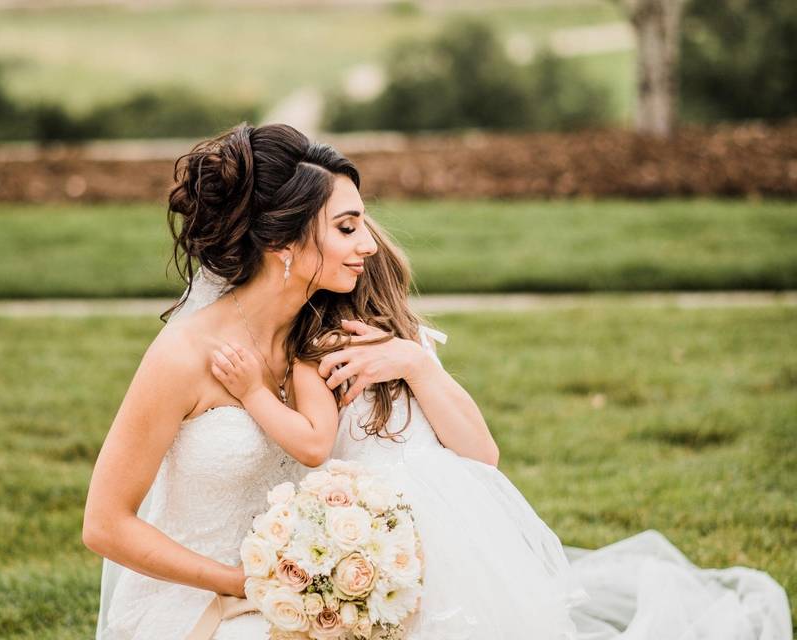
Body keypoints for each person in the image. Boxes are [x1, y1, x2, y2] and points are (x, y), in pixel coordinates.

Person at [209, 213, 794, 639]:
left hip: (453, 524)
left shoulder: (401, 348)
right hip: (378, 526)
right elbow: (318, 443)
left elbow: (482, 452)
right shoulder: (325, 352)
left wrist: (413, 364)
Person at [82, 121, 381, 639]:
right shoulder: (185, 355)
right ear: (284, 241)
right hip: (196, 605)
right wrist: (239, 583)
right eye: (348, 228)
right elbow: (105, 524)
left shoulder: (320, 341)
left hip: (302, 600)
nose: (371, 245)